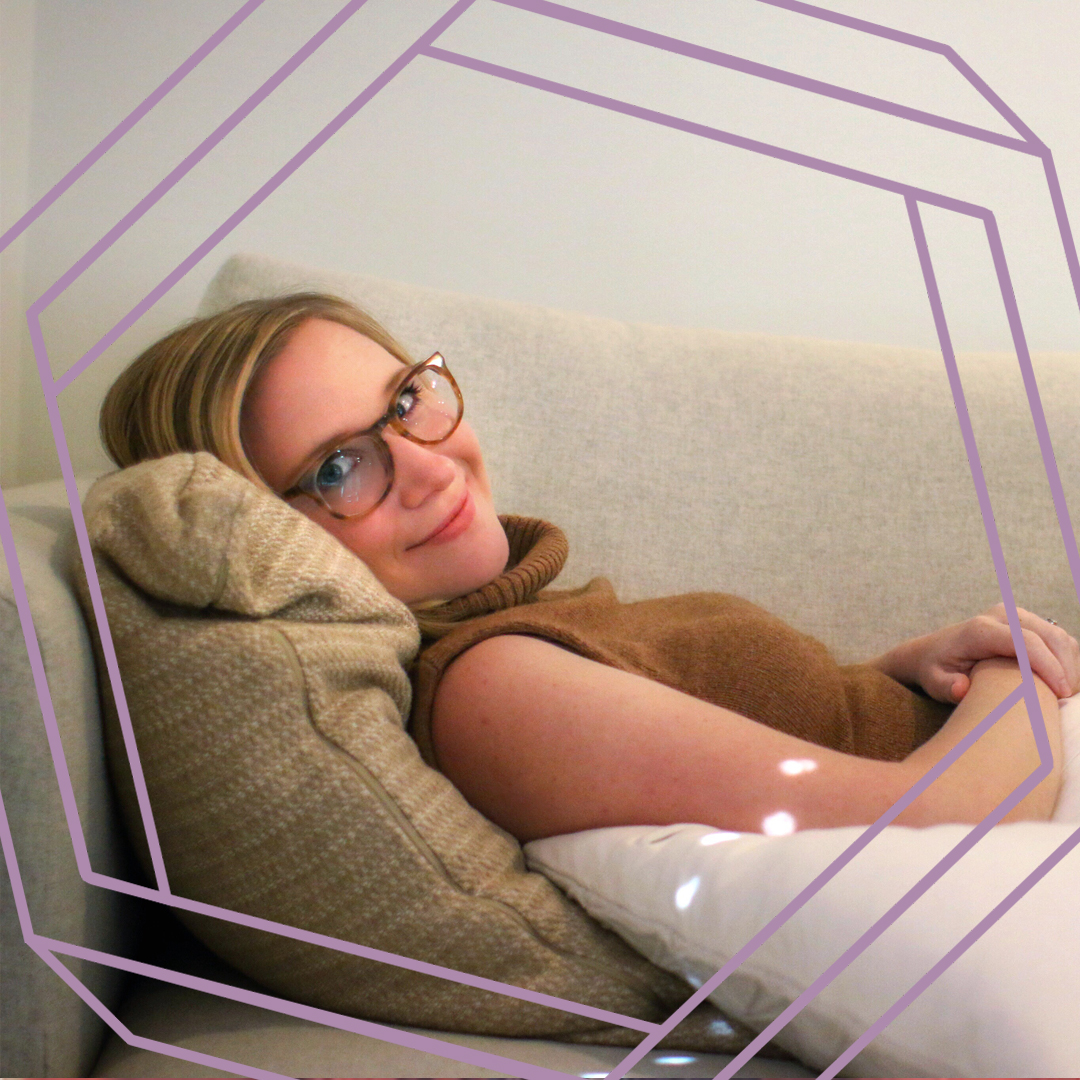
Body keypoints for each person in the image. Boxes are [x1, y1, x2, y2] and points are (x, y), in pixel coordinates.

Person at [101, 293, 1079, 842]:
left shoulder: (527, 638)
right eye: (339, 466)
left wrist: (908, 666)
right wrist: (1012, 674)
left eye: (405, 402)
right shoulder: (495, 687)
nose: (430, 466)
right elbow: (937, 831)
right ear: (265, 535)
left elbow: (793, 740)